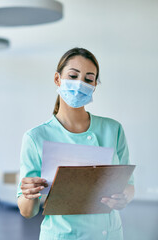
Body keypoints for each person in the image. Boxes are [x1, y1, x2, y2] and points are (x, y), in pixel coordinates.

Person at [17, 47, 135, 240]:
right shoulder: (35, 137)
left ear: (94, 85)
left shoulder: (113, 130)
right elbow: (27, 212)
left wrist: (124, 199)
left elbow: (128, 185)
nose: (80, 84)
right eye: (73, 76)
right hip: (62, 235)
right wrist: (30, 194)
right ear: (57, 79)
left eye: (89, 79)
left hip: (108, 234)